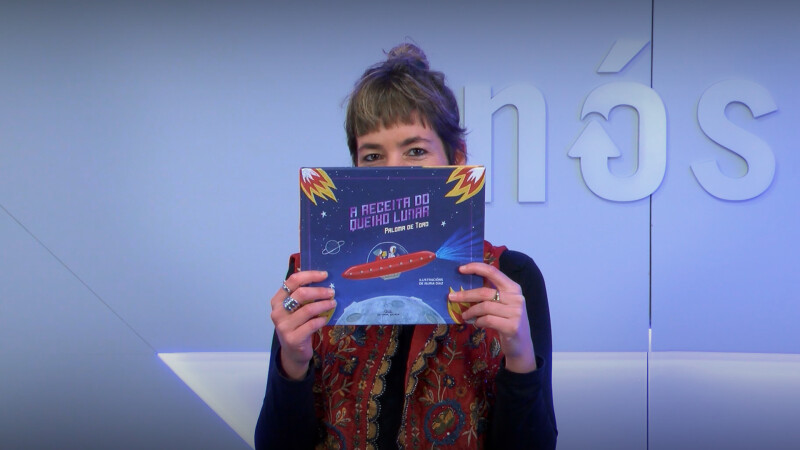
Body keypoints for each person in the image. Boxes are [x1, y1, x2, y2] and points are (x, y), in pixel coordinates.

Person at [255, 43, 557, 449]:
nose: (393, 172)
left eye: (416, 151)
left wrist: (520, 357)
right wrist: (291, 362)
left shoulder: (512, 278)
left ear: (456, 160)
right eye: (372, 156)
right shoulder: (312, 279)